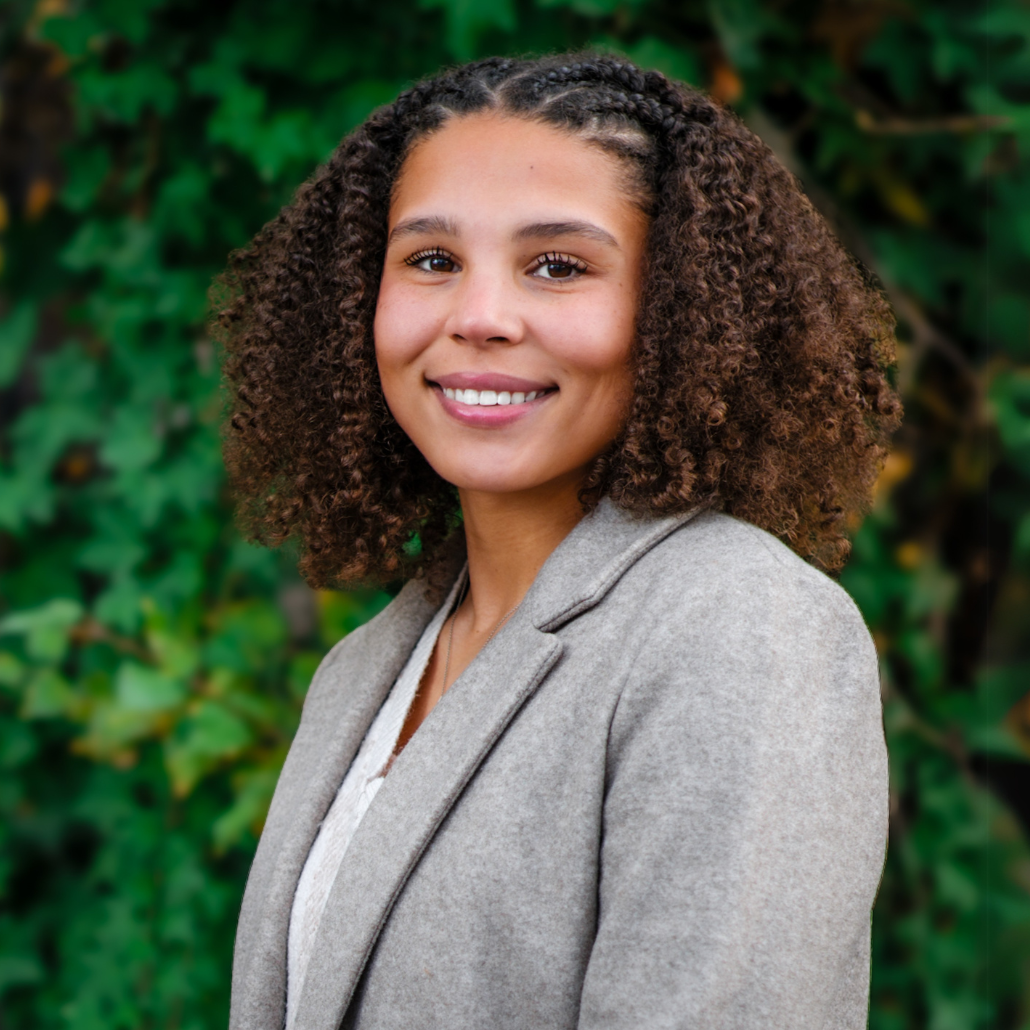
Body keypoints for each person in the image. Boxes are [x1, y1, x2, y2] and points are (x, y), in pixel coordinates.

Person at [216, 52, 901, 1030]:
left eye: (557, 266)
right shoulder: (366, 668)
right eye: (432, 260)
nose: (479, 317)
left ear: (679, 308)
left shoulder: (740, 628)